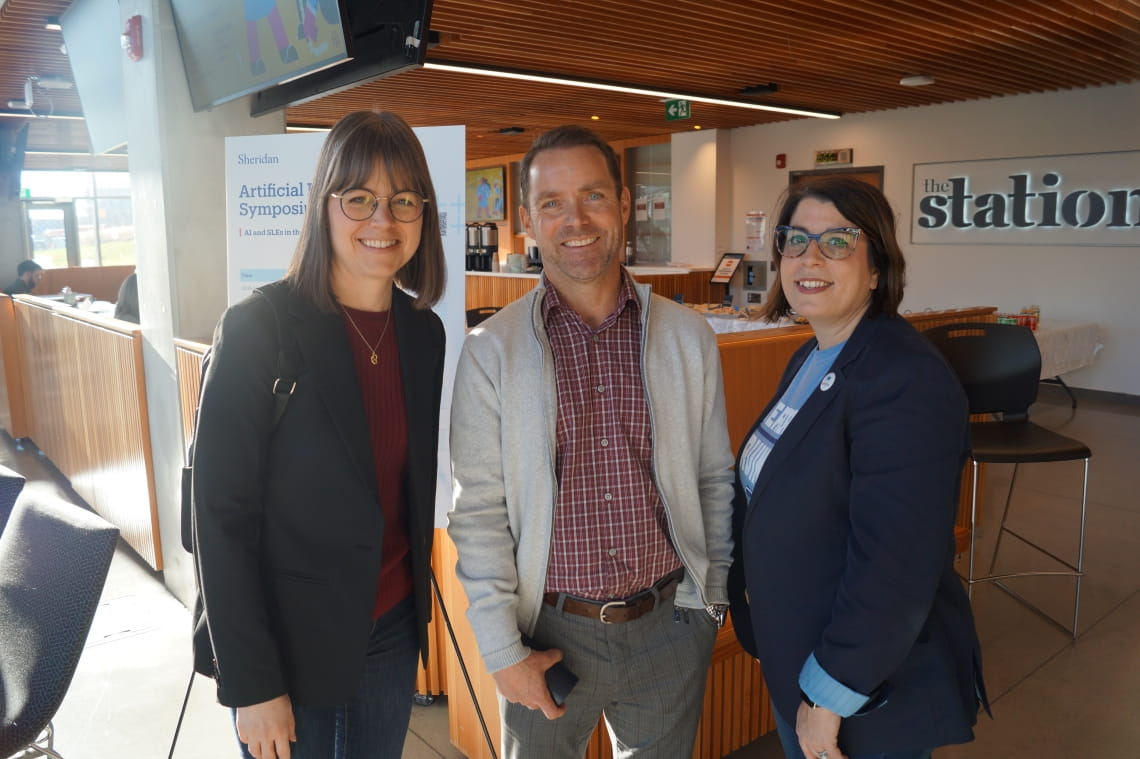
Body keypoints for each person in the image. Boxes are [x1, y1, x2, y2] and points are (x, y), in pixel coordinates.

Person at [447, 125, 735, 758]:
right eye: (552, 202)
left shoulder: (688, 336)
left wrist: (706, 599)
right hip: (545, 634)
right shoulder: (492, 351)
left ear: (624, 204)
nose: (574, 219)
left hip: (669, 624)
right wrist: (500, 650)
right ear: (527, 220)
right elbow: (479, 514)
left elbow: (715, 476)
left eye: (593, 196)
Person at [190, 110, 447, 759]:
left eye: (402, 200)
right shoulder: (261, 327)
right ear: (322, 206)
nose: (382, 220)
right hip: (287, 648)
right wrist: (252, 684)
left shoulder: (423, 333)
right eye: (358, 198)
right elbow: (219, 517)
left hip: (389, 631)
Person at [728, 177, 989, 759]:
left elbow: (894, 566)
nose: (809, 258)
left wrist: (828, 699)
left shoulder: (905, 379)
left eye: (837, 242)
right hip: (799, 649)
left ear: (877, 267)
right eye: (795, 240)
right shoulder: (813, 353)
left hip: (857, 686)